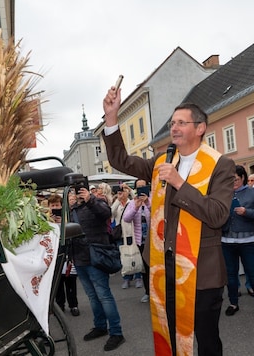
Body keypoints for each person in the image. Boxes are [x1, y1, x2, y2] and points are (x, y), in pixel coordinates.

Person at [103, 87, 235, 356]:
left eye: (181, 123)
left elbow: (218, 214)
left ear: (200, 128)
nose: (174, 127)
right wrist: (111, 118)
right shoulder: (162, 160)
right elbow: (121, 160)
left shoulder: (220, 164)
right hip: (165, 268)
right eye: (172, 122)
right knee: (168, 335)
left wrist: (178, 182)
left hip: (202, 271)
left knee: (207, 341)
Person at [70, 186, 125, 351]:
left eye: (77, 191)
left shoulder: (96, 202)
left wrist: (90, 198)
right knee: (93, 297)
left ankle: (116, 333)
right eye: (72, 192)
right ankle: (100, 326)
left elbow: (105, 213)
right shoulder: (72, 209)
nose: (75, 195)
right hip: (79, 259)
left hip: (96, 258)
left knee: (104, 296)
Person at [222, 165, 254, 318]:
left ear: (242, 178)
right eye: (229, 180)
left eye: (235, 179)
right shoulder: (223, 194)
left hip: (249, 240)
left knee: (253, 273)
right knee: (231, 274)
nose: (232, 182)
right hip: (227, 240)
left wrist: (246, 212)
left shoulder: (253, 192)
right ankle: (233, 303)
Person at [122, 179, 151, 302]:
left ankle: (159, 293)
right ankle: (148, 292)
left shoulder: (153, 199)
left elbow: (159, 213)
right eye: (138, 187)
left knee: (155, 268)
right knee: (144, 268)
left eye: (143, 186)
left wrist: (148, 203)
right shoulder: (133, 203)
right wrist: (136, 207)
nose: (141, 188)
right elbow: (126, 219)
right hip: (141, 241)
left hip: (154, 241)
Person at [52, 193, 80, 316]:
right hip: (54, 255)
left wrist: (63, 222)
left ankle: (73, 305)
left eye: (57, 205)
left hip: (67, 252)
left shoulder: (68, 217)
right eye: (53, 205)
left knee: (71, 282)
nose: (55, 207)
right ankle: (60, 306)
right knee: (57, 285)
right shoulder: (45, 219)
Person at [111, 185, 139, 289]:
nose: (122, 193)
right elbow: (110, 213)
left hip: (132, 233)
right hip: (121, 235)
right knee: (124, 257)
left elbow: (138, 198)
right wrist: (117, 200)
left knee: (135, 254)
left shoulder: (131, 202)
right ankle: (126, 278)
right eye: (120, 192)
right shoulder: (117, 204)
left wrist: (129, 189)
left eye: (124, 191)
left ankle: (138, 276)